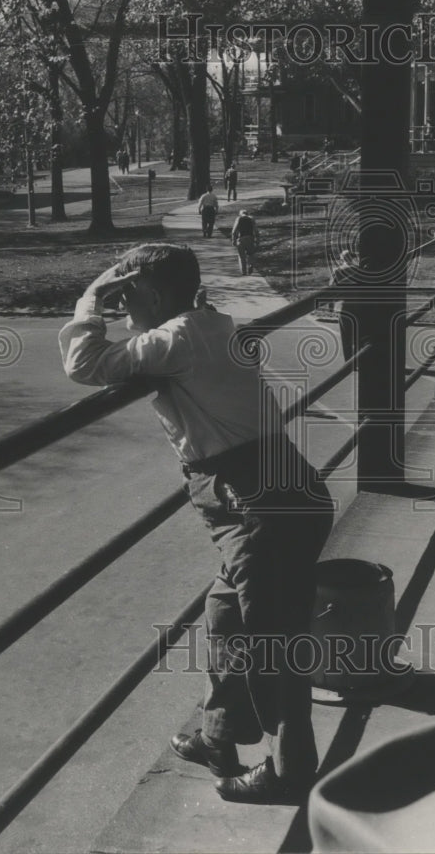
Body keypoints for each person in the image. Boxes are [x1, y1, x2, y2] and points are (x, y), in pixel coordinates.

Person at [58, 244, 334, 803]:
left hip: (256, 506)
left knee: (272, 641)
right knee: (227, 614)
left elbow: (85, 365)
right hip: (281, 490)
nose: (122, 307)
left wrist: (89, 302)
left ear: (154, 296)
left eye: (126, 296)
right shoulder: (214, 324)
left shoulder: (177, 338)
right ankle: (220, 736)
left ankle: (291, 771)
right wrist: (125, 288)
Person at [327, 250, 364, 363]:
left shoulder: (337, 271)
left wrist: (331, 306)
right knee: (359, 334)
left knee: (346, 336)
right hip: (359, 305)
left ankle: (349, 362)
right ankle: (361, 358)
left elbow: (331, 289)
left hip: (344, 306)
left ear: (342, 259)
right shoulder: (359, 270)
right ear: (353, 259)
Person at [231, 209, 258, 275]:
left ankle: (244, 271)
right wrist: (257, 240)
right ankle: (250, 265)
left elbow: (234, 231)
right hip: (250, 238)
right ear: (247, 213)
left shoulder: (238, 219)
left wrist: (233, 240)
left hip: (241, 239)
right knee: (251, 254)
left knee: (241, 256)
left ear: (240, 214)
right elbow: (256, 230)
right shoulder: (251, 219)